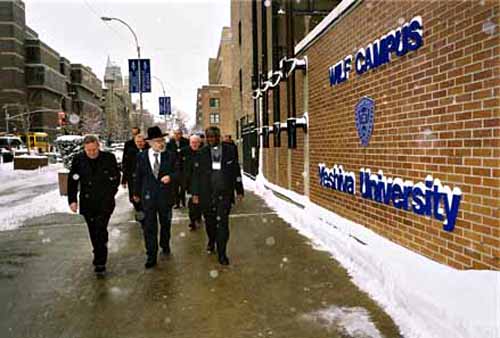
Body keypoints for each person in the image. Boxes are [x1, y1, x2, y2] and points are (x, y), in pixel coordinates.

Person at [68, 134, 121, 276]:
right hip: (87, 202)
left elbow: (116, 177)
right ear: (84, 148)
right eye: (88, 150)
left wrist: (110, 193)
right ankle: (99, 248)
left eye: (94, 149)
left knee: (100, 227)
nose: (92, 153)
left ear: (98, 146)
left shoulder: (108, 158)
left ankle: (100, 261)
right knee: (94, 230)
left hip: (105, 202)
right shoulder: (78, 160)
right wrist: (72, 200)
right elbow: (73, 180)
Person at [191, 126, 244, 266]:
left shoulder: (230, 150)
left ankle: (222, 253)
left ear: (218, 137)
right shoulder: (201, 153)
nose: (211, 140)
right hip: (207, 194)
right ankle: (212, 240)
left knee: (223, 224)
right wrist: (195, 193)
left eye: (213, 137)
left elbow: (235, 171)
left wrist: (239, 190)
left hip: (224, 193)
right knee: (210, 223)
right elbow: (196, 175)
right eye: (208, 137)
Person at [133, 126, 178, 269]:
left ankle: (164, 244)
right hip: (148, 197)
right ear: (151, 142)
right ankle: (151, 255)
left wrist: (170, 176)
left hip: (165, 197)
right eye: (158, 141)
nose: (161, 143)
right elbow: (138, 176)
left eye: (162, 140)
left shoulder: (170, 155)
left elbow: (179, 172)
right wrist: (136, 193)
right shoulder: (141, 156)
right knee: (149, 227)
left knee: (165, 224)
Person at [122, 133, 149, 213]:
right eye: (137, 142)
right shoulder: (131, 152)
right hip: (133, 179)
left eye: (141, 141)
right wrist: (124, 180)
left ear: (144, 142)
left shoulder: (149, 151)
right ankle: (139, 212)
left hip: (145, 179)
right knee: (134, 198)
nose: (139, 143)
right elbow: (127, 166)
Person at [181, 134, 202, 231]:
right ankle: (192, 220)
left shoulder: (203, 152)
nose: (194, 144)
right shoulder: (184, 152)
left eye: (196, 142)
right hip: (188, 182)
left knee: (198, 202)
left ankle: (198, 217)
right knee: (192, 203)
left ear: (199, 143)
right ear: (189, 143)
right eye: (192, 142)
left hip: (200, 181)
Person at [122, 127, 142, 208]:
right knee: (133, 194)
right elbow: (126, 161)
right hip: (132, 173)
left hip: (144, 175)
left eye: (136, 133)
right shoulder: (128, 144)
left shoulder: (146, 146)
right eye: (133, 133)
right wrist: (124, 178)